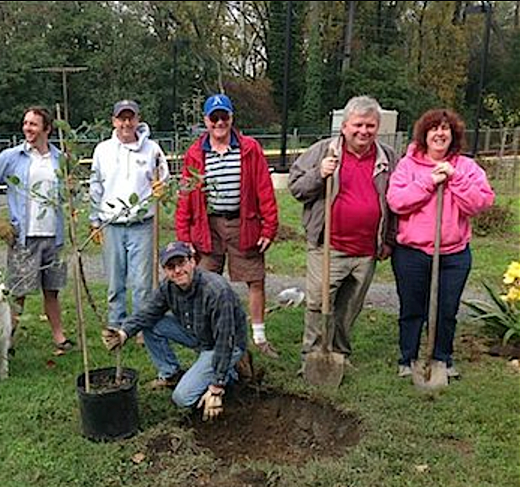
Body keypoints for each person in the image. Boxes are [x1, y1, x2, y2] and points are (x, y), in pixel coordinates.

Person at [288, 95, 397, 370]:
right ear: (345, 126)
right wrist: (319, 175)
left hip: (366, 249)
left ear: (378, 127)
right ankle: (312, 357)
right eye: (358, 125)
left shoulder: (388, 157)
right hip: (329, 245)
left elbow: (396, 202)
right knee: (317, 302)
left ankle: (339, 354)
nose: (364, 131)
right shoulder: (323, 151)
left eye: (370, 126)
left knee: (349, 307)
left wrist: (388, 239)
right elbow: (296, 187)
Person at [386, 109, 494, 379]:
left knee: (447, 310)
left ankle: (441, 358)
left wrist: (454, 178)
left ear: (453, 135)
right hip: (413, 252)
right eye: (434, 128)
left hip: (454, 254)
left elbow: (481, 202)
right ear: (425, 134)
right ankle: (408, 358)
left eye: (445, 129)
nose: (439, 133)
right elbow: (396, 201)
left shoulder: (466, 167)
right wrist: (430, 181)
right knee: (412, 308)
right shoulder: (408, 165)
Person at [175, 94, 279, 359]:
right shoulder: (195, 154)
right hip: (208, 225)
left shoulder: (249, 148)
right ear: (206, 121)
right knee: (204, 281)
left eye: (224, 117)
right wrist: (184, 235)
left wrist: (269, 227)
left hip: (244, 222)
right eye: (214, 118)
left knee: (255, 279)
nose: (219, 122)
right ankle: (208, 336)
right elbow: (186, 195)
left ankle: (258, 335)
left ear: (232, 118)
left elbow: (264, 189)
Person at [101, 241, 247, 420]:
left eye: (181, 263)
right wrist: (124, 332)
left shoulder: (216, 292)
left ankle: (229, 375)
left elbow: (226, 340)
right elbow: (148, 312)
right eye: (171, 267)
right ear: (165, 270)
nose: (177, 270)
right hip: (198, 334)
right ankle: (171, 374)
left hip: (224, 344)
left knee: (182, 398)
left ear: (192, 262)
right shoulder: (169, 287)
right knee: (151, 323)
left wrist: (216, 389)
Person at [0, 106, 72, 352]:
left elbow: (69, 192)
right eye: (25, 123)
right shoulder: (11, 157)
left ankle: (59, 336)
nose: (27, 128)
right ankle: (7, 338)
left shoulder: (59, 158)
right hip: (24, 236)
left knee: (52, 289)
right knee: (18, 290)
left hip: (54, 237)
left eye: (33, 124)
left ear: (47, 129)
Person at [89, 99, 170, 332]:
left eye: (130, 118)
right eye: (121, 118)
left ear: (137, 119)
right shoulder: (102, 150)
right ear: (114, 121)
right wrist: (95, 220)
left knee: (142, 283)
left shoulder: (152, 150)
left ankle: (140, 327)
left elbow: (163, 180)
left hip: (142, 224)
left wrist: (161, 188)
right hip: (112, 223)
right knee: (115, 282)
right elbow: (96, 186)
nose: (126, 123)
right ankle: (116, 325)